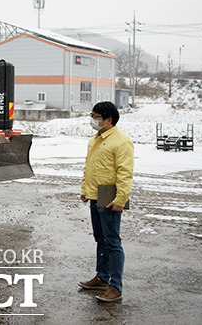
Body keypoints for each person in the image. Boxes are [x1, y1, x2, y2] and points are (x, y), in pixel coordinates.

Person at [78, 101, 134, 303]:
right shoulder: (96, 139)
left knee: (112, 242)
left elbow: (125, 173)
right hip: (95, 193)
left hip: (110, 193)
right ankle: (102, 278)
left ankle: (115, 287)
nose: (92, 120)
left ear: (109, 119)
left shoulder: (121, 141)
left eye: (96, 116)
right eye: (92, 115)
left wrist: (121, 200)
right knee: (100, 238)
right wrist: (85, 190)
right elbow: (90, 167)